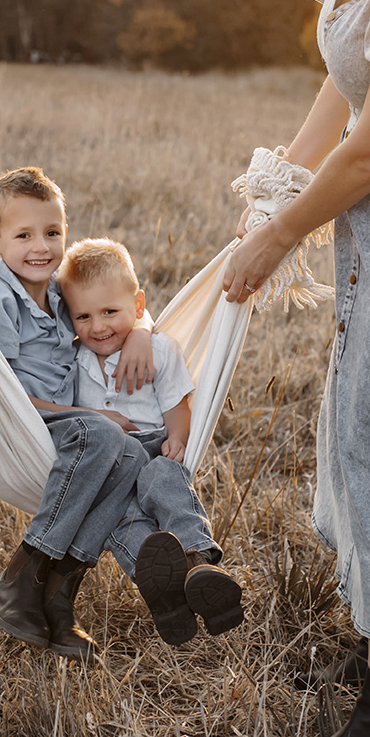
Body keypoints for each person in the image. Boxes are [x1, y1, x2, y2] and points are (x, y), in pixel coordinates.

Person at [0, 168, 243, 663]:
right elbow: (1, 391)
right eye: (24, 235)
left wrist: (140, 329)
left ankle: (59, 598)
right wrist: (87, 414)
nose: (41, 246)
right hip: (29, 420)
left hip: (75, 429)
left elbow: (106, 306)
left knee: (132, 464)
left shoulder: (56, 292)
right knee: (105, 434)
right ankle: (20, 577)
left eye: (53, 233)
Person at [222, 0, 370, 737]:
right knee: (358, 431)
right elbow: (346, 78)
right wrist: (281, 173)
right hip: (367, 240)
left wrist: (281, 234)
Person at [57, 237, 244, 644]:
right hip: (108, 464)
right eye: (83, 316)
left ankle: (199, 560)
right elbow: (62, 415)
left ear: (138, 307)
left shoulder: (159, 348)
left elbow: (176, 402)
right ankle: (166, 593)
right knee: (120, 518)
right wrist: (95, 418)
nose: (99, 326)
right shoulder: (70, 360)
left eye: (110, 312)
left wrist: (178, 437)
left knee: (164, 480)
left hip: (154, 444)